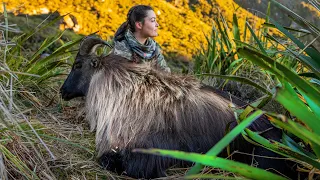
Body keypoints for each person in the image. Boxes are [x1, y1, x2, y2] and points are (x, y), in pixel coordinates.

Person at [110, 5, 171, 72]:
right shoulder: (121, 50)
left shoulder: (154, 49)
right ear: (139, 25)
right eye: (153, 20)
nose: (157, 24)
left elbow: (165, 72)